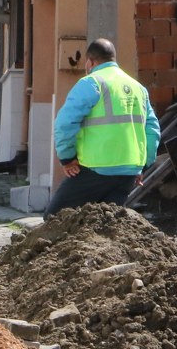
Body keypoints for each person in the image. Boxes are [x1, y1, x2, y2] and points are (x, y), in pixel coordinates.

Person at [45, 38, 160, 218]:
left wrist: (67, 158)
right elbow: (152, 130)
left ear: (90, 61)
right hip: (129, 172)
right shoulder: (138, 88)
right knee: (107, 223)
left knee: (55, 217)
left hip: (96, 169)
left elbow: (64, 123)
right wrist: (143, 166)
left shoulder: (91, 83)